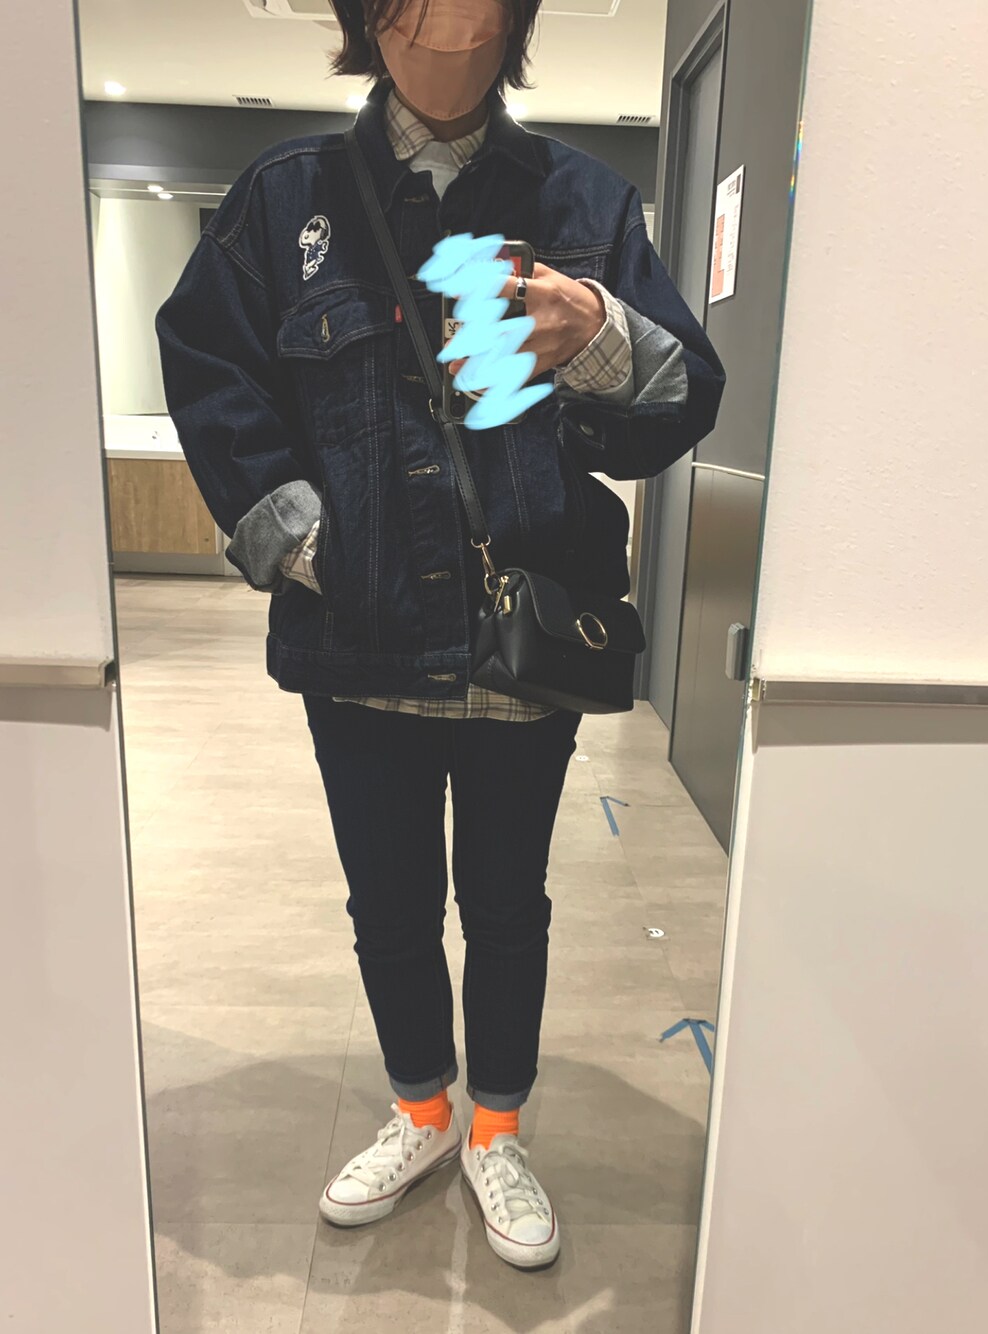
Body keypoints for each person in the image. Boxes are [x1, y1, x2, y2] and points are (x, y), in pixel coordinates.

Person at [156, 0, 724, 1272]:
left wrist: (600, 337)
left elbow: (682, 401)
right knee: (390, 904)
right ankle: (421, 1108)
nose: (449, 35)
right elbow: (210, 369)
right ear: (368, 19)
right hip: (360, 642)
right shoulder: (285, 201)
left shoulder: (586, 203)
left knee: (508, 903)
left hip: (525, 640)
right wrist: (307, 545)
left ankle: (497, 1129)